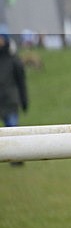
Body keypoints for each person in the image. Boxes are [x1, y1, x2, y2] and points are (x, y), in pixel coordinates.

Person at [0, 33, 27, 166]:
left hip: (10, 100)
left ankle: (16, 158)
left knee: (12, 129)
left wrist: (24, 100)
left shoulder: (14, 60)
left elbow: (21, 82)